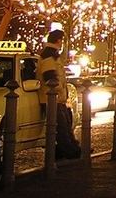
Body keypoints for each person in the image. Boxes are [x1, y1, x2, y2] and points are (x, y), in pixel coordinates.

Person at [36, 29, 81, 159]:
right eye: (63, 40)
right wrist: (59, 91)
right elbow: (49, 77)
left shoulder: (52, 54)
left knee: (65, 126)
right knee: (61, 128)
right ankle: (71, 152)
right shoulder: (49, 55)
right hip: (51, 99)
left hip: (57, 99)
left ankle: (72, 149)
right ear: (58, 40)